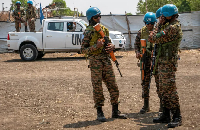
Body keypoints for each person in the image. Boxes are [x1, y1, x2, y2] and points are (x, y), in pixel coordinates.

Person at [81, 7, 126, 122]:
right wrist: (96, 46)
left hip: (106, 61)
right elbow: (83, 50)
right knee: (97, 87)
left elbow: (109, 44)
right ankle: (99, 112)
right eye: (96, 17)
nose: (99, 19)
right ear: (91, 18)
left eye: (100, 16)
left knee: (113, 86)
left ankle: (115, 111)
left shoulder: (104, 30)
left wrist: (112, 47)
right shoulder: (88, 32)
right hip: (95, 62)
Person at [149, 4, 182, 128]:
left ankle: (177, 116)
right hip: (162, 62)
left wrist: (158, 24)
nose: (161, 17)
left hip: (168, 63)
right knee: (163, 90)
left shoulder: (172, 28)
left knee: (170, 90)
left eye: (163, 15)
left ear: (168, 15)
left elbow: (153, 38)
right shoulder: (168, 26)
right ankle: (166, 114)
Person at [134, 12, 162, 114]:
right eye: (147, 23)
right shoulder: (141, 32)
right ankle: (146, 106)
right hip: (145, 60)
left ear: (154, 23)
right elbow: (136, 45)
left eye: (151, 24)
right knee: (145, 83)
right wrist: (137, 52)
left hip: (156, 60)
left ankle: (162, 106)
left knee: (159, 83)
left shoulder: (158, 31)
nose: (149, 25)